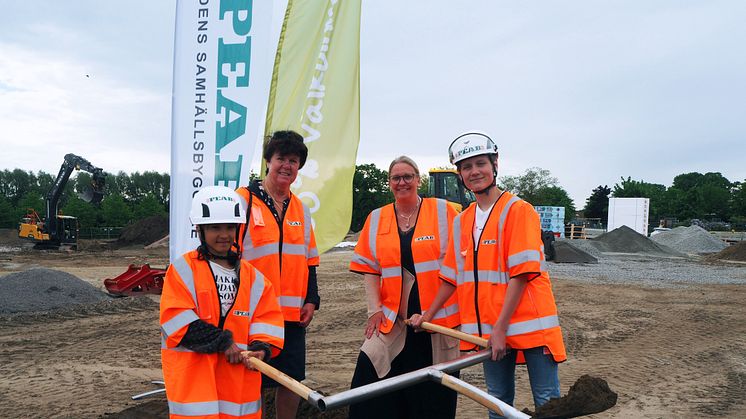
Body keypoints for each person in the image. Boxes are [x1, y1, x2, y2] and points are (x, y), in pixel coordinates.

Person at [410, 132, 567, 419]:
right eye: (466, 167)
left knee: (547, 402)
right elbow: (450, 278)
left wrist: (500, 328)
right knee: (498, 401)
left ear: (495, 164)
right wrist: (427, 315)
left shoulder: (519, 211)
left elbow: (521, 275)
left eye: (480, 163)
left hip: (530, 328)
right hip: (489, 332)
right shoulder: (463, 221)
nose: (474, 172)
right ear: (459, 174)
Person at [348, 156, 461, 419]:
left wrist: (430, 314)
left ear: (418, 180)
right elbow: (369, 268)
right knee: (371, 373)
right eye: (396, 178)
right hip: (394, 320)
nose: (402, 182)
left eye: (408, 176)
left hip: (438, 322)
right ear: (389, 183)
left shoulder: (444, 212)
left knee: (434, 392)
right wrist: (373, 309)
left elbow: (457, 266)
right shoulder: (377, 218)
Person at [160, 185, 284, 419]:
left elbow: (267, 321)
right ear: (200, 229)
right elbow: (178, 322)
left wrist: (261, 349)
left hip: (238, 387)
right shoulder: (182, 270)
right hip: (195, 383)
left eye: (230, 227)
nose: (224, 234)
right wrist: (223, 342)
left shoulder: (254, 279)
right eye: (215, 227)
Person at [236, 130, 320, 419]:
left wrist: (312, 298)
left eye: (293, 160)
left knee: (291, 381)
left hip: (292, 316)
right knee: (252, 379)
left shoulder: (302, 209)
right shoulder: (243, 201)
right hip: (253, 313)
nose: (287, 165)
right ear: (268, 162)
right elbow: (228, 257)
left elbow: (310, 260)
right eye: (281, 158)